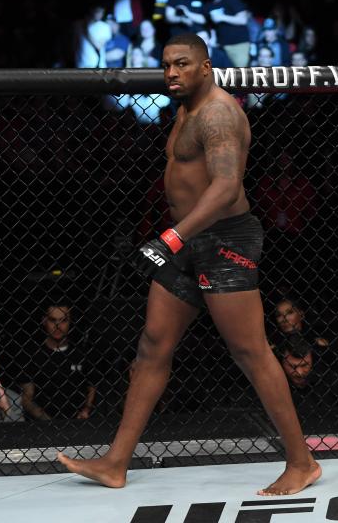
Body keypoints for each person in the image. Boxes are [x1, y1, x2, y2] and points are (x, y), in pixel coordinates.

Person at [57, 33, 321, 495]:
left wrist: (172, 236)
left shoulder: (218, 113)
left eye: (181, 64)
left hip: (223, 240)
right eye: (166, 66)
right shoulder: (187, 110)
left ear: (205, 66)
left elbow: (224, 188)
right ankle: (116, 462)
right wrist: (177, 238)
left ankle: (302, 463)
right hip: (187, 241)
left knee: (251, 351)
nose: (172, 73)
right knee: (152, 346)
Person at [18, 304, 98, 420]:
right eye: (53, 320)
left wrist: (86, 410)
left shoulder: (81, 353)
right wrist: (49, 422)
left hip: (78, 422)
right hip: (41, 424)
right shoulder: (32, 354)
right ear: (44, 321)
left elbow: (92, 387)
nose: (58, 326)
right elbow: (27, 399)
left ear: (70, 322)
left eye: (63, 320)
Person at [205, 0, 252, 67]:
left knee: (240, 73)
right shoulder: (208, 5)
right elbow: (210, 26)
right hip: (221, 46)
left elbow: (243, 20)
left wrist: (222, 17)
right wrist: (213, 40)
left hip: (238, 44)